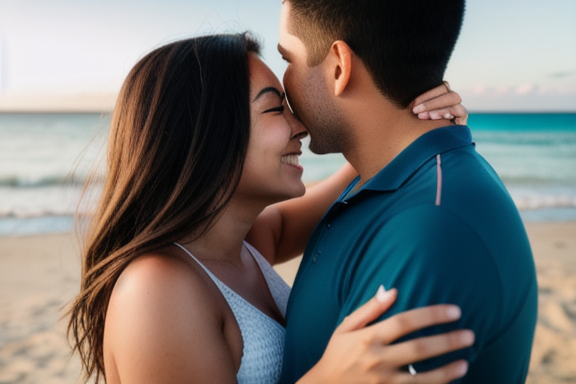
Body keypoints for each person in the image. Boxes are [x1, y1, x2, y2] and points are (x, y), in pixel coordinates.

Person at [67, 33, 473, 384]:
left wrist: (410, 121)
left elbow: (352, 175)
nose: (301, 126)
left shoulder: (246, 242)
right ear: (209, 135)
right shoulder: (155, 290)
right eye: (275, 108)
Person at [259, 1, 538, 383]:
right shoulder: (381, 179)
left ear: (339, 66)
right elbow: (266, 231)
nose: (285, 82)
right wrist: (409, 128)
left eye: (288, 58)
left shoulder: (431, 234)